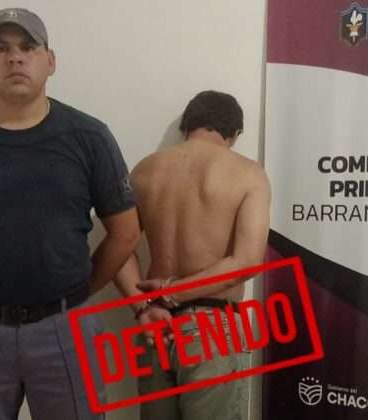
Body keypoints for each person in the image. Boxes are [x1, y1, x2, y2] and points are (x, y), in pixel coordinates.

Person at [0, 8, 139, 420]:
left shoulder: (89, 137)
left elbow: (126, 231)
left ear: (50, 61)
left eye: (28, 47)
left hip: (65, 328)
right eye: (0, 48)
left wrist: (78, 289)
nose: (15, 58)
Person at [115, 90, 271, 420]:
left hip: (155, 325)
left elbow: (117, 247)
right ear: (234, 133)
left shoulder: (144, 171)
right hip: (213, 326)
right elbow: (246, 263)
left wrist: (143, 305)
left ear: (188, 125)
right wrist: (173, 292)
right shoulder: (247, 173)